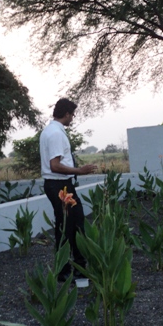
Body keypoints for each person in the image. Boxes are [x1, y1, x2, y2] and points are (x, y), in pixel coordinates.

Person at [40, 98, 97, 281]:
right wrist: (79, 170)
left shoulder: (50, 131)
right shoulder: (56, 134)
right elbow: (55, 165)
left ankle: (69, 268)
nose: (72, 118)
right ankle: (71, 270)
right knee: (71, 226)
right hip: (59, 184)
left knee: (68, 225)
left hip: (58, 184)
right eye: (72, 115)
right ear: (66, 114)